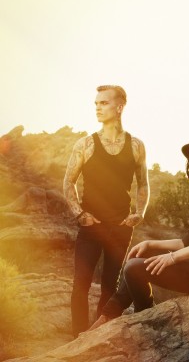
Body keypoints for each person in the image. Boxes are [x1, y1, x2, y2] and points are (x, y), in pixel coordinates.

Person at [88, 133, 189, 329]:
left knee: (134, 268)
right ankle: (109, 315)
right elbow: (188, 240)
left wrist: (173, 258)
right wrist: (151, 244)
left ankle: (145, 314)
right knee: (141, 253)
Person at [63, 85, 150, 337]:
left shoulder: (136, 145)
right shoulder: (86, 144)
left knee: (110, 286)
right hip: (91, 227)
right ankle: (77, 338)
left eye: (104, 103)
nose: (98, 108)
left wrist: (139, 212)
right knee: (81, 283)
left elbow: (143, 183)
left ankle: (100, 336)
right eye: (96, 103)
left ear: (119, 107)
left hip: (121, 227)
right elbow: (68, 181)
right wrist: (80, 214)